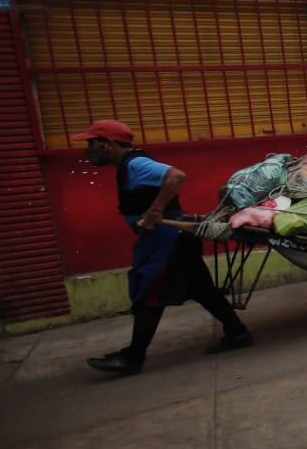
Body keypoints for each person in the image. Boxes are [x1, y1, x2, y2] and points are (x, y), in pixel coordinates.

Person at [76, 120, 252, 375]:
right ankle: (238, 333)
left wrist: (156, 209)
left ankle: (133, 358)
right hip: (169, 238)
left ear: (109, 144)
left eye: (92, 143)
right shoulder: (129, 165)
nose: (88, 149)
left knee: (150, 293)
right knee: (203, 290)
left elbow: (176, 175)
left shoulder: (136, 164)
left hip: (168, 240)